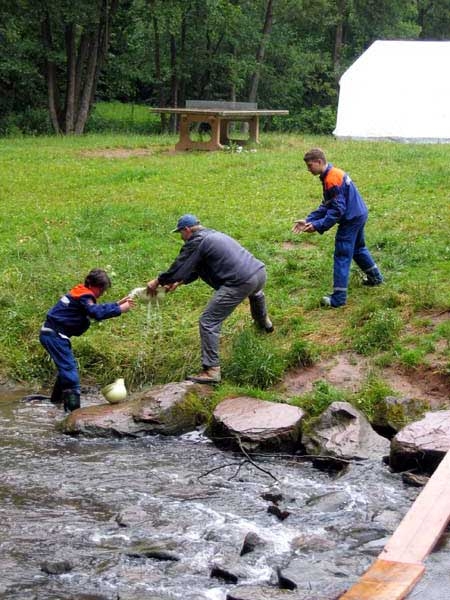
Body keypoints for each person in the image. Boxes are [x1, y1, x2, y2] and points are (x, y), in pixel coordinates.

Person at [147, 214, 273, 384]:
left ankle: (212, 370)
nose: (181, 237)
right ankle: (265, 324)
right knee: (255, 293)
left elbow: (179, 266)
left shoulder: (196, 241)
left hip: (240, 282)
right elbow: (196, 268)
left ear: (186, 230)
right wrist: (179, 281)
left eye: (180, 233)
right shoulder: (213, 235)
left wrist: (158, 281)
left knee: (208, 321)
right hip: (259, 273)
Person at [292, 148, 383, 307]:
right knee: (358, 249)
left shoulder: (332, 179)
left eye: (310, 165)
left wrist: (317, 226)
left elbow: (337, 210)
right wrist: (308, 220)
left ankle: (338, 299)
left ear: (319, 162)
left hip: (351, 219)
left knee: (342, 254)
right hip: (359, 213)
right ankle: (376, 278)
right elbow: (327, 205)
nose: (308, 169)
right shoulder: (332, 174)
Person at [39, 268, 134, 412]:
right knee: (70, 374)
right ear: (92, 285)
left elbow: (94, 308)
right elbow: (96, 313)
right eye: (101, 289)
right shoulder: (85, 296)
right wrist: (120, 309)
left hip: (52, 334)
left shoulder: (81, 292)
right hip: (54, 336)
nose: (101, 293)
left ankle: (56, 402)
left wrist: (116, 304)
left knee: (65, 368)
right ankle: (73, 413)